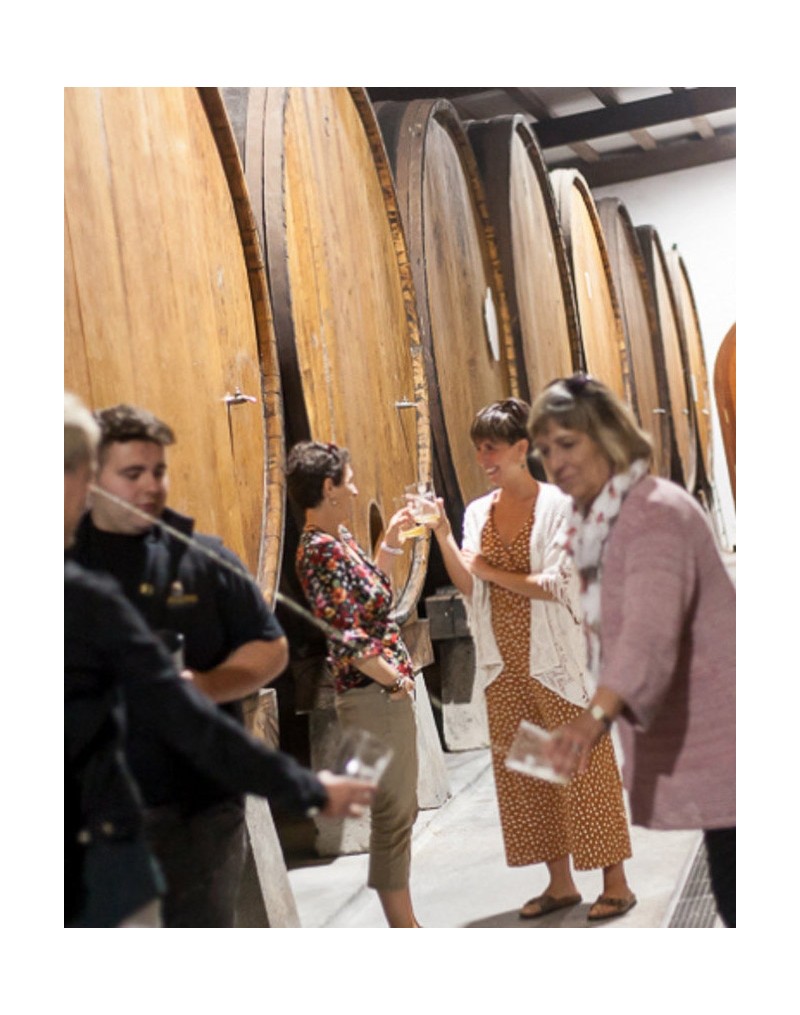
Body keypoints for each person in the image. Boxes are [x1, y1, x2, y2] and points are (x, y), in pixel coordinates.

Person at [68, 402, 367, 927]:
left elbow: (270, 648)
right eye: (133, 473)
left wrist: (207, 685)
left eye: (158, 471)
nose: (152, 486)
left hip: (197, 809)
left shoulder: (202, 559)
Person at [528, 374, 736, 927]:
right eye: (545, 449)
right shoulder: (602, 519)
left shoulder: (652, 513)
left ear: (608, 435)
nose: (555, 461)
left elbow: (648, 632)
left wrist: (590, 719)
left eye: (567, 443)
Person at [425, 397, 636, 922]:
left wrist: (492, 573)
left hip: (557, 658)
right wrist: (443, 536)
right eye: (477, 448)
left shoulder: (560, 507)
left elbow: (560, 585)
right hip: (504, 663)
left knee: (583, 770)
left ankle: (617, 881)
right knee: (532, 776)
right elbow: (470, 584)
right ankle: (560, 883)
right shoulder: (478, 511)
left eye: (491, 447)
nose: (483, 457)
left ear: (523, 448)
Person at [286, 441, 421, 929]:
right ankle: (404, 927)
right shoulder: (318, 551)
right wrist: (395, 680)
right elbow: (348, 637)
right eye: (350, 479)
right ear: (329, 487)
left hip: (379, 690)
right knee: (394, 811)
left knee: (398, 808)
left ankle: (405, 922)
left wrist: (389, 542)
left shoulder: (337, 538)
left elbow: (371, 601)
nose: (357, 488)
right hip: (373, 694)